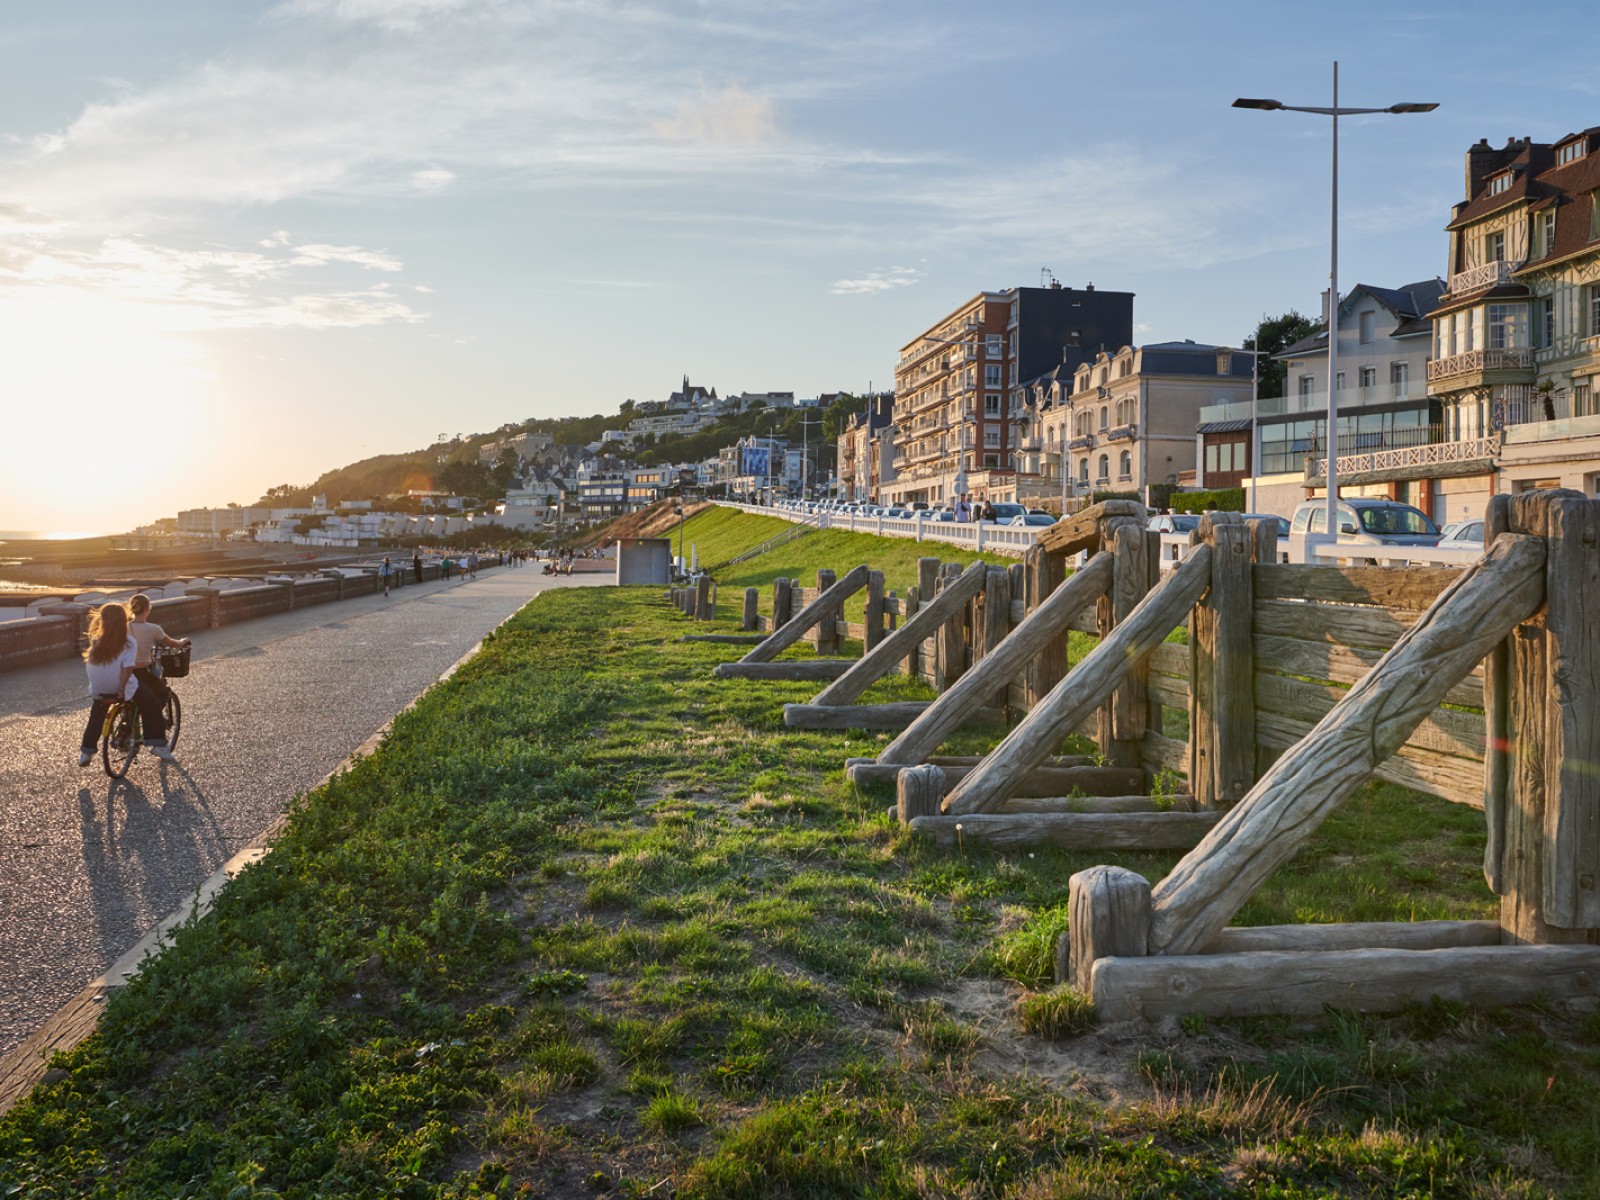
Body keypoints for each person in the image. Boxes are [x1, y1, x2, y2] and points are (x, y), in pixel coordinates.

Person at [79, 602, 170, 766]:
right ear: (123, 620)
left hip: (99, 689)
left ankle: (86, 751)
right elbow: (128, 670)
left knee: (96, 716)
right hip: (121, 687)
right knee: (151, 703)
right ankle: (158, 745)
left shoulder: (96, 641)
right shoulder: (128, 642)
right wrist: (120, 690)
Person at [127, 594, 189, 709]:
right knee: (162, 692)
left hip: (126, 672)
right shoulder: (153, 629)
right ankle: (153, 716)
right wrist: (183, 641)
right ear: (146, 609)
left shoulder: (124, 627)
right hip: (142, 671)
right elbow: (172, 644)